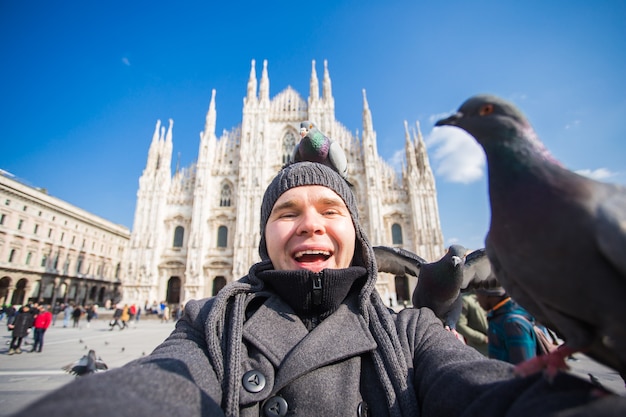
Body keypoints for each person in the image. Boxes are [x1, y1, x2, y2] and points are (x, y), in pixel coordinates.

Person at [11, 161, 626, 416]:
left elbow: (479, 389)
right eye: (287, 212)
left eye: (331, 209)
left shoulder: (407, 333)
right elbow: (158, 385)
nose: (309, 222)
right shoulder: (209, 326)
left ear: (358, 234)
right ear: (264, 237)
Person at [475, 286, 538, 364]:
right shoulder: (500, 318)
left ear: (487, 296)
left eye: (477, 296)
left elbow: (526, 366)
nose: (477, 300)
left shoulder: (512, 324)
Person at [456, 290, 489, 356]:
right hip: (480, 349)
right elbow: (460, 325)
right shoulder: (466, 299)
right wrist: (482, 338)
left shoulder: (496, 293)